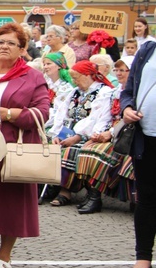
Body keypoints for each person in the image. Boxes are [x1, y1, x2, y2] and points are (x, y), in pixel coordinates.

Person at [0, 23, 49, 268]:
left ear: (23, 49)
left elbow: (42, 113)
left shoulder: (33, 77)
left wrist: (6, 114)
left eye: (11, 43)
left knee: (10, 201)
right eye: (0, 42)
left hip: (14, 146)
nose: (4, 47)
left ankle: (5, 254)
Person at [49, 60, 115, 207]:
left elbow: (99, 120)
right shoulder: (74, 93)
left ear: (87, 75)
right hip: (69, 133)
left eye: (76, 77)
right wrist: (57, 135)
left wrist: (78, 136)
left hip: (90, 134)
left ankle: (65, 191)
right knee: (52, 147)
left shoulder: (103, 92)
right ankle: (52, 185)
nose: (74, 81)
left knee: (70, 150)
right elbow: (62, 115)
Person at [73, 56, 132, 214]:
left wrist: (110, 133)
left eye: (123, 70)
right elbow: (104, 116)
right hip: (112, 132)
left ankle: (95, 197)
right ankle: (93, 196)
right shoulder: (113, 93)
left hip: (127, 135)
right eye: (117, 70)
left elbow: (128, 120)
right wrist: (97, 134)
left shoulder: (135, 93)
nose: (118, 73)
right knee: (87, 149)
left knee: (97, 154)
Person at [120, 39, 156, 268]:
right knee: (147, 198)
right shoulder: (147, 50)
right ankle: (143, 256)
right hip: (147, 136)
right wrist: (127, 108)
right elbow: (128, 92)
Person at [42, 52, 75, 131]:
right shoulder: (46, 82)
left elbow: (60, 112)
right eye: (44, 64)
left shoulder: (66, 88)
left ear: (59, 66)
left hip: (57, 124)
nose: (45, 67)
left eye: (49, 64)